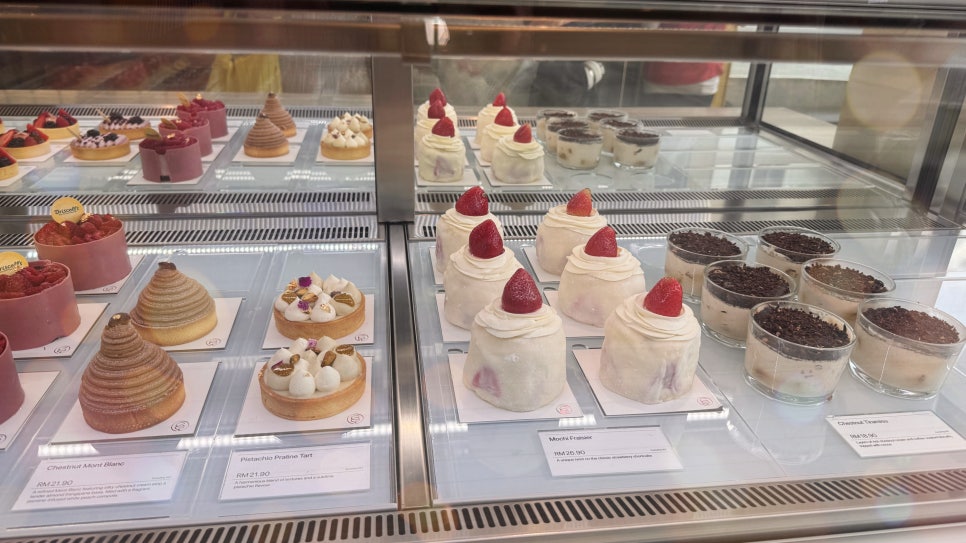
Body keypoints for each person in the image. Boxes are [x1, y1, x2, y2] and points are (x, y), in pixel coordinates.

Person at [643, 23, 727, 107]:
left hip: (663, 72)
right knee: (694, 119)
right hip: (704, 74)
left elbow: (648, 29)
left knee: (655, 118)